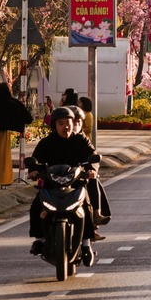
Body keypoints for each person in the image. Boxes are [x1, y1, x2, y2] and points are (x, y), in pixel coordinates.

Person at [27, 104, 101, 252]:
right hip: (51, 184)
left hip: (75, 183)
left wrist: (91, 169)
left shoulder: (81, 140)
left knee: (86, 207)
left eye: (68, 123)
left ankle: (86, 243)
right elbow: (35, 161)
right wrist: (34, 171)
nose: (65, 127)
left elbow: (92, 157)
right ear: (54, 125)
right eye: (61, 123)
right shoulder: (46, 143)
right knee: (36, 205)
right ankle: (39, 239)